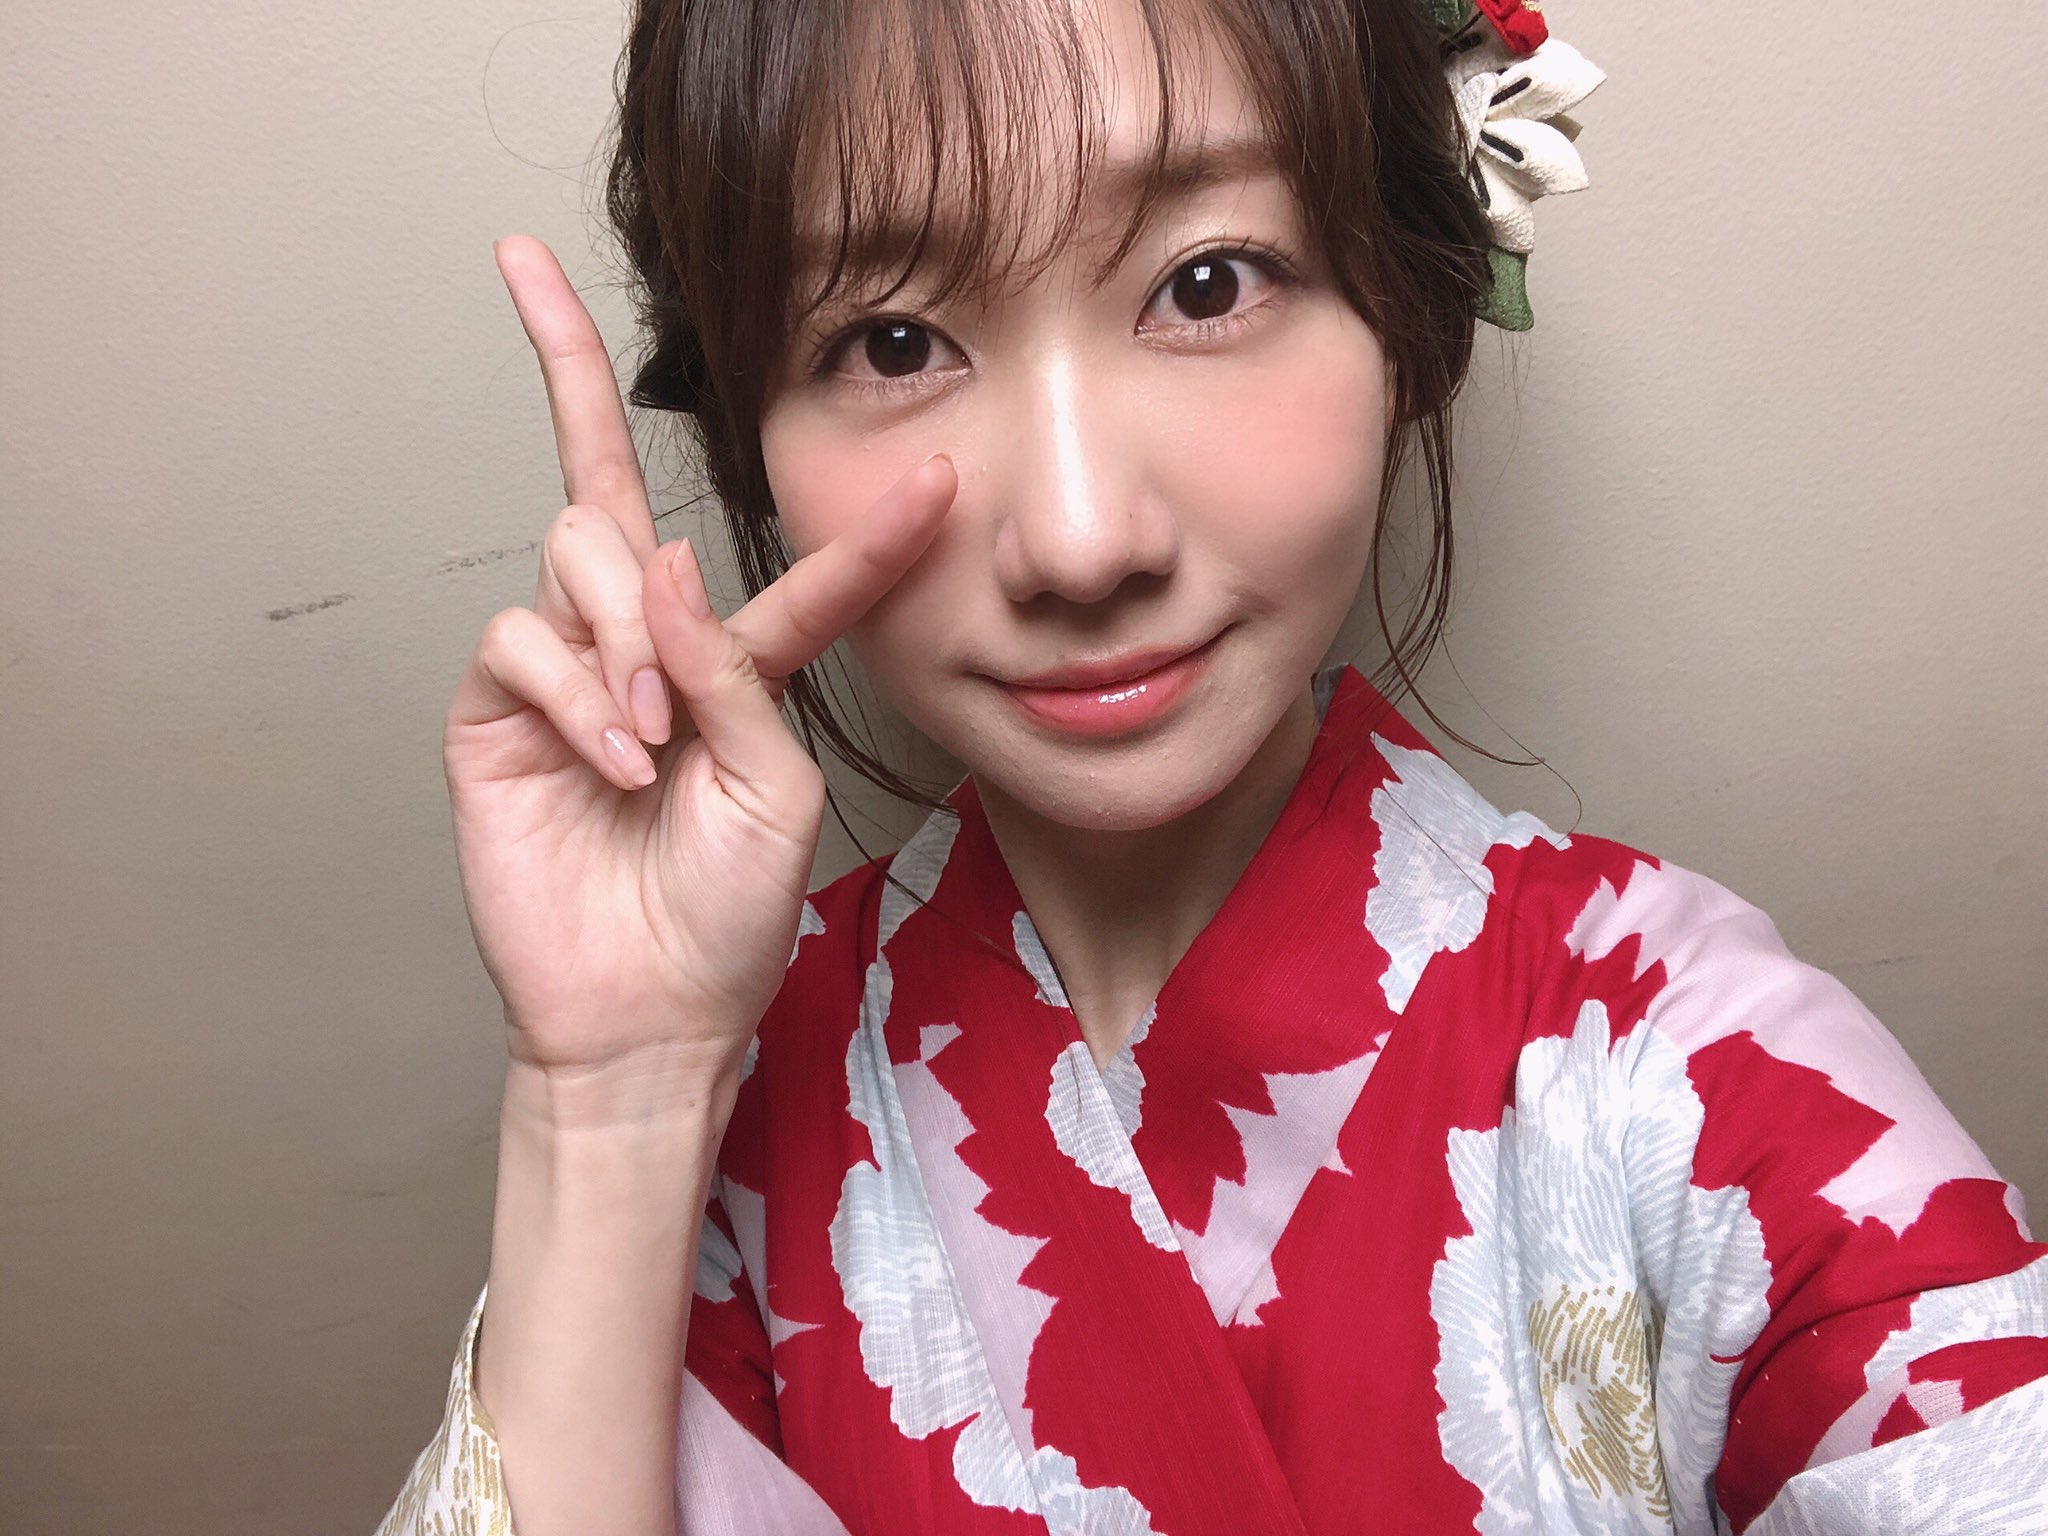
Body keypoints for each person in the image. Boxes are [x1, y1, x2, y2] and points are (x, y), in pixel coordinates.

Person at [375, 0, 2048, 1531]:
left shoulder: (1703, 1070)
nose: (1080, 537)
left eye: (1205, 283)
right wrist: (608, 1101)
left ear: (1405, 309)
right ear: (756, 440)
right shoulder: (719, 1111)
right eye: (891, 345)